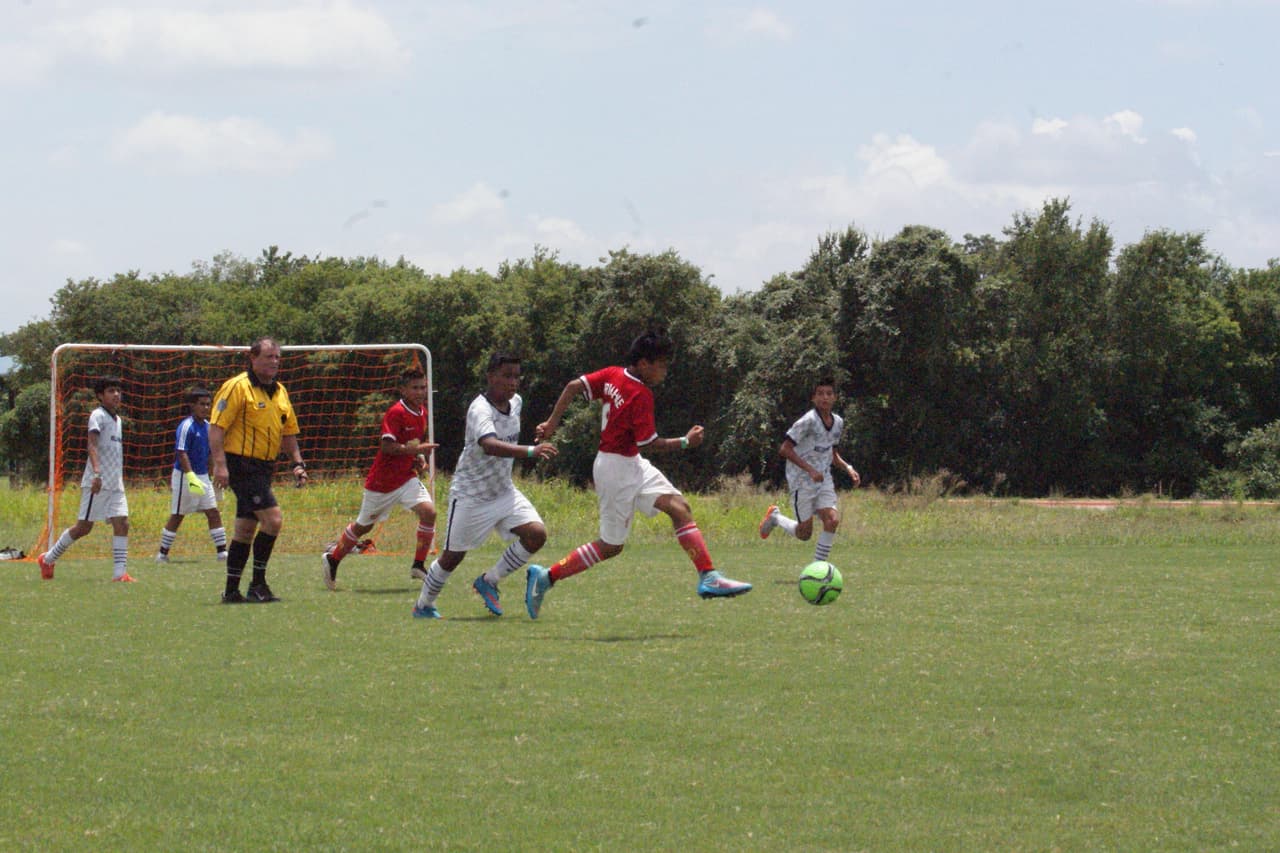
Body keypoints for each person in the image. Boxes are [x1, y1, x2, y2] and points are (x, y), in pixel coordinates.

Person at [525, 329, 751, 619]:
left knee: (680, 508)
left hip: (630, 462)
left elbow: (572, 386)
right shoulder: (640, 394)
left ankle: (709, 576)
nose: (665, 372)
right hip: (616, 469)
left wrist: (552, 423)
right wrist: (686, 442)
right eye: (662, 365)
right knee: (610, 546)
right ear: (644, 364)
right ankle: (546, 577)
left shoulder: (612, 374)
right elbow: (652, 444)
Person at [411, 353, 556, 619]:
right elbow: (489, 445)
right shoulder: (480, 409)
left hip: (503, 491)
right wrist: (532, 451)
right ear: (491, 376)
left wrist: (540, 430)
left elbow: (508, 435)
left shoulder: (517, 403)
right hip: (471, 495)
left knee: (536, 534)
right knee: (453, 556)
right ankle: (423, 605)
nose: (513, 382)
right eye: (507, 375)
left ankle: (490, 580)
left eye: (516, 376)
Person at [209, 337, 307, 604]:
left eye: (277, 357)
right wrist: (220, 465)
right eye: (268, 356)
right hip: (241, 464)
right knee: (273, 520)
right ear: (252, 358)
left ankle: (231, 591)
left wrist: (297, 463)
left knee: (244, 529)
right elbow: (216, 427)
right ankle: (258, 585)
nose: (274, 362)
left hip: (264, 467)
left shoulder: (280, 391)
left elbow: (289, 432)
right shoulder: (237, 387)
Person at [322, 367, 439, 591]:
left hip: (406, 478)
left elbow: (412, 443)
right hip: (382, 483)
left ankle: (418, 565)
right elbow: (387, 446)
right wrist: (418, 449)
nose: (420, 392)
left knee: (429, 512)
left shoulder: (422, 412)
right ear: (403, 389)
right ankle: (333, 559)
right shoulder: (395, 412)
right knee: (363, 527)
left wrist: (419, 458)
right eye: (415, 388)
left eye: (423, 387)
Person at [38, 376, 134, 582]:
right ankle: (48, 559)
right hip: (96, 483)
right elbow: (92, 445)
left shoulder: (118, 420)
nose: (116, 394)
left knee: (123, 523)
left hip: (115, 483)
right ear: (100, 395)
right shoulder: (97, 416)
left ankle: (120, 574)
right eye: (111, 390)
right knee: (83, 528)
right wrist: (97, 473)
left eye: (118, 390)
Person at [757, 376, 860, 563]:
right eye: (820, 394)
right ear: (813, 398)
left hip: (824, 480)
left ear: (835, 397)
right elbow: (784, 449)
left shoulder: (838, 422)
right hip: (801, 481)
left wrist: (848, 468)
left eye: (829, 394)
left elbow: (832, 454)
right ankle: (776, 518)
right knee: (804, 534)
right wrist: (810, 470)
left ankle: (818, 570)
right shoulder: (808, 421)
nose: (825, 398)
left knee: (832, 520)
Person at [155, 386, 228, 563]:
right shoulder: (186, 426)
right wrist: (190, 476)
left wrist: (214, 473)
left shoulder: (209, 427)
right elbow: (181, 452)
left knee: (213, 512)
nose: (205, 408)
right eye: (201, 404)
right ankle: (162, 554)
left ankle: (222, 553)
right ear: (192, 406)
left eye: (208, 404)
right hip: (185, 476)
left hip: (203, 476)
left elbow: (211, 452)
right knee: (179, 514)